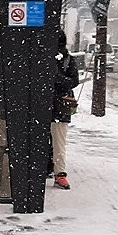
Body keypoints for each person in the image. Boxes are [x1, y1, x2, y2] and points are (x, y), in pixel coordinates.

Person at [50, 41, 80, 190]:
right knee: (58, 143)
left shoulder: (66, 60)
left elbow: (74, 81)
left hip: (58, 107)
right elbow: (73, 81)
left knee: (58, 142)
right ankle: (56, 172)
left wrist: (55, 78)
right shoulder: (62, 59)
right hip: (55, 107)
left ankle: (59, 173)